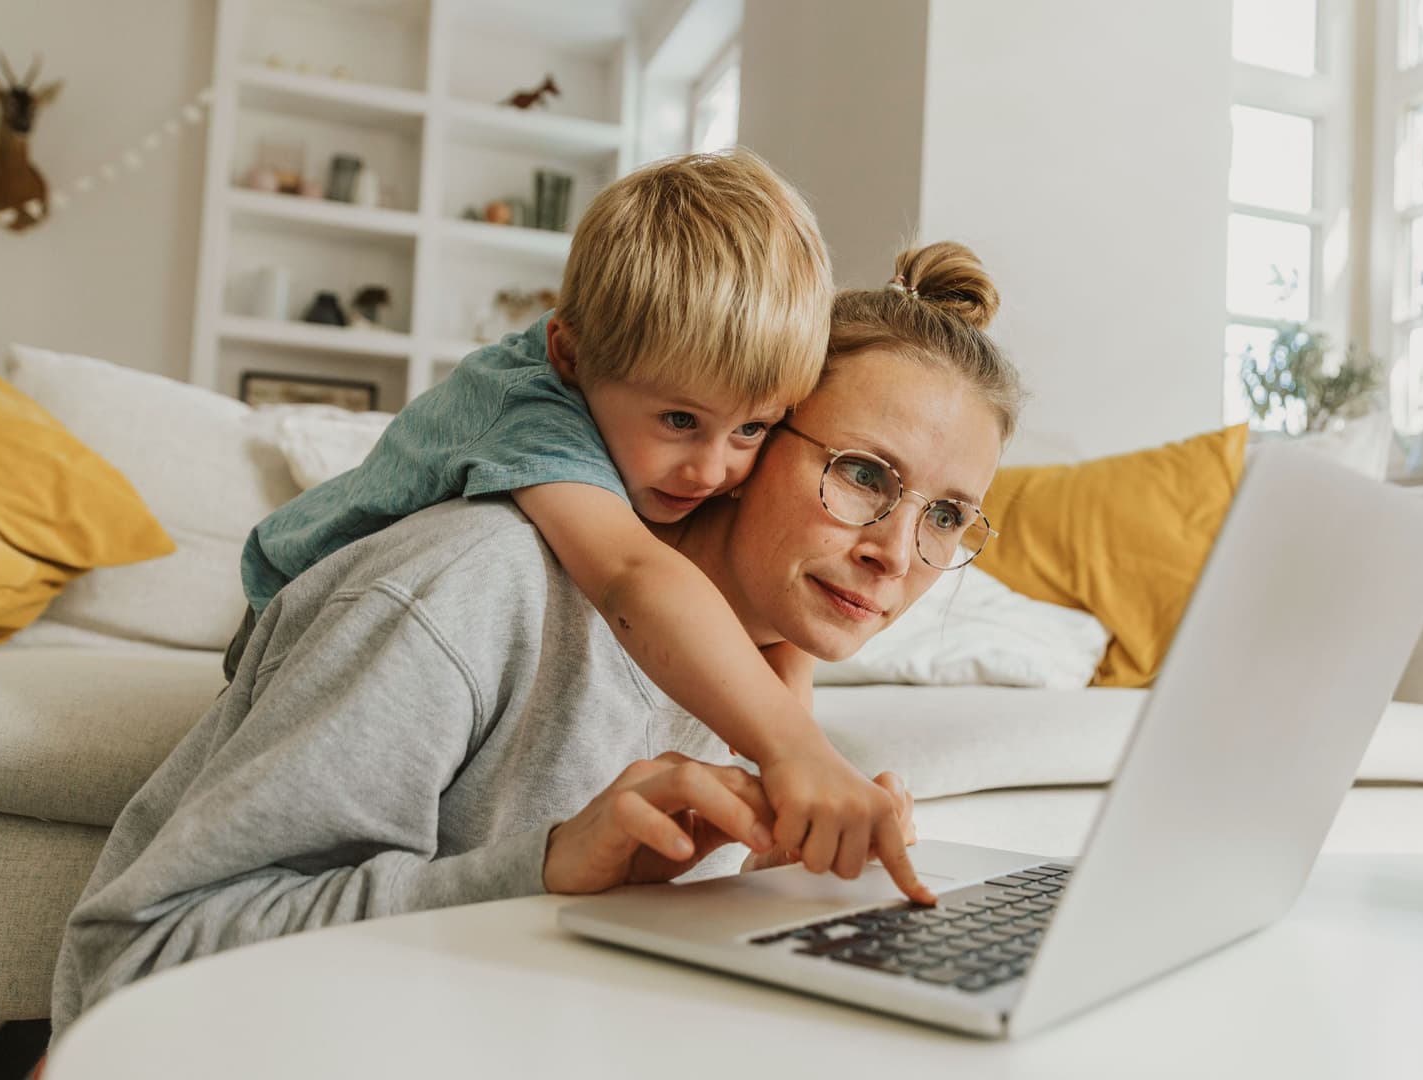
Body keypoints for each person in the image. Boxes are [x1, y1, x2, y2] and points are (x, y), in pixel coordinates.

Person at [51, 242, 1025, 1036]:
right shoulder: (465, 590)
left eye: (948, 516)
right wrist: (546, 868)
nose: (897, 553)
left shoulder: (763, 671)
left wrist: (771, 902)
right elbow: (132, 965)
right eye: (864, 474)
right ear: (757, 429)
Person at [233, 149, 917, 895]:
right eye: (681, 420)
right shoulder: (534, 408)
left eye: (752, 430)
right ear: (569, 355)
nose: (712, 469)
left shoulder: (664, 420)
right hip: (295, 612)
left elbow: (773, 625)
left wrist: (797, 763)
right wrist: (794, 752)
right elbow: (631, 576)